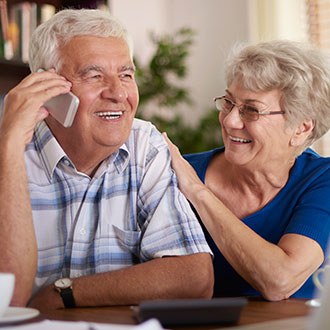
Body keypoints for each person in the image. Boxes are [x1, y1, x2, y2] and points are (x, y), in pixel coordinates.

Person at [0, 8, 213, 310]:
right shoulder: (9, 151)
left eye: (126, 75)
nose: (118, 93)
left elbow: (195, 278)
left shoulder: (145, 145)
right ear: (46, 90)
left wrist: (63, 293)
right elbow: (9, 301)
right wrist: (8, 148)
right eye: (94, 75)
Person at [164, 40, 330, 301]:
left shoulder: (321, 179)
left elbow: (280, 281)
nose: (230, 121)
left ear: (301, 128)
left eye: (251, 110)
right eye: (228, 102)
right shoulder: (177, 171)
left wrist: (198, 191)